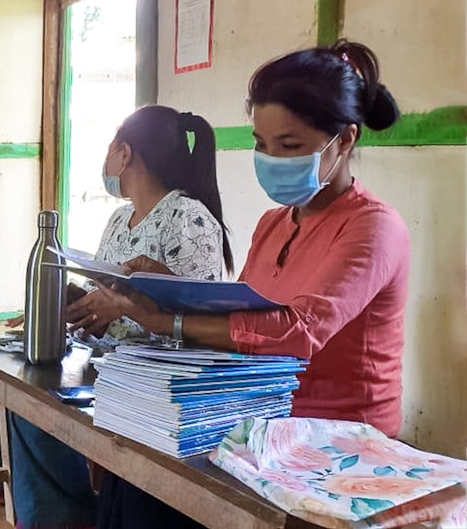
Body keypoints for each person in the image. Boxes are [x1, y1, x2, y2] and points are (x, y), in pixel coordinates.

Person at [93, 40, 408, 528]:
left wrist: (169, 320)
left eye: (290, 147)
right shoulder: (272, 224)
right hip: (259, 419)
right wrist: (163, 287)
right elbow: (238, 312)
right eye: (262, 145)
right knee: (132, 468)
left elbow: (300, 332)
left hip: (337, 443)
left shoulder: (373, 227)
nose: (271, 159)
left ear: (343, 141)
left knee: (154, 501)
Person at [0, 105, 233, 528]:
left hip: (150, 374)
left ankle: (59, 514)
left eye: (111, 148)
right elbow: (102, 292)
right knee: (11, 376)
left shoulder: (188, 217)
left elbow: (199, 322)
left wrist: (127, 304)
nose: (107, 160)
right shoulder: (119, 218)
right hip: (102, 358)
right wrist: (64, 302)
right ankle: (10, 488)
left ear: (124, 154)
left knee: (31, 406)